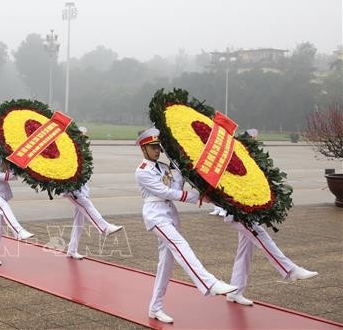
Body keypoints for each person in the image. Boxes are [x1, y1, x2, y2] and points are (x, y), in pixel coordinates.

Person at [135, 127, 237, 324]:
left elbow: (175, 187)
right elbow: (167, 192)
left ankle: (155, 308)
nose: (157, 151)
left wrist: (179, 169)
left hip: (169, 215)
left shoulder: (164, 168)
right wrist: (199, 198)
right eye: (153, 147)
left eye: (158, 147)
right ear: (144, 149)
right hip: (155, 216)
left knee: (165, 265)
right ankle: (208, 283)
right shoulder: (142, 172)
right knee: (181, 246)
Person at [224, 127, 317, 306]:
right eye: (252, 143)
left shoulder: (249, 162)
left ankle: (235, 291)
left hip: (246, 212)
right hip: (237, 213)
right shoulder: (235, 162)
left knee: (245, 253)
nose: (255, 147)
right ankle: (290, 270)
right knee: (261, 236)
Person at [62, 127, 123, 260]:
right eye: (81, 137)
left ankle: (72, 250)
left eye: (84, 137)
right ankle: (104, 227)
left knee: (79, 222)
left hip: (82, 189)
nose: (83, 140)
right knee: (88, 206)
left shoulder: (82, 151)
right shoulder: (69, 151)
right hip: (72, 189)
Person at [0, 125, 34, 266]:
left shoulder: (1, 153)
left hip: (2, 191)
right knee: (4, 208)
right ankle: (18, 231)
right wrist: (13, 174)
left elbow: (8, 166)